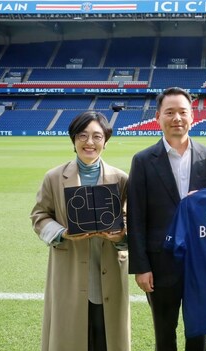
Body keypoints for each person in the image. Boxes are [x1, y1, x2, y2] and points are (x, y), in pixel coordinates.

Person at [30, 111, 130, 351]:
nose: (89, 142)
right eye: (82, 136)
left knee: (108, 338)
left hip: (108, 268)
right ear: (73, 140)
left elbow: (131, 223)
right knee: (70, 338)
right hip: (69, 271)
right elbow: (39, 216)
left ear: (106, 141)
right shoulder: (54, 178)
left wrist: (120, 236)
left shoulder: (121, 179)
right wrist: (62, 232)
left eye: (97, 136)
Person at [127, 87, 206, 350]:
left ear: (193, 116)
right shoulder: (143, 160)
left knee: (198, 333)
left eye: (182, 112)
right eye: (170, 112)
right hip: (159, 264)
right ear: (158, 116)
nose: (177, 117)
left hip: (197, 263)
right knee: (164, 334)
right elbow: (135, 216)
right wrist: (141, 267)